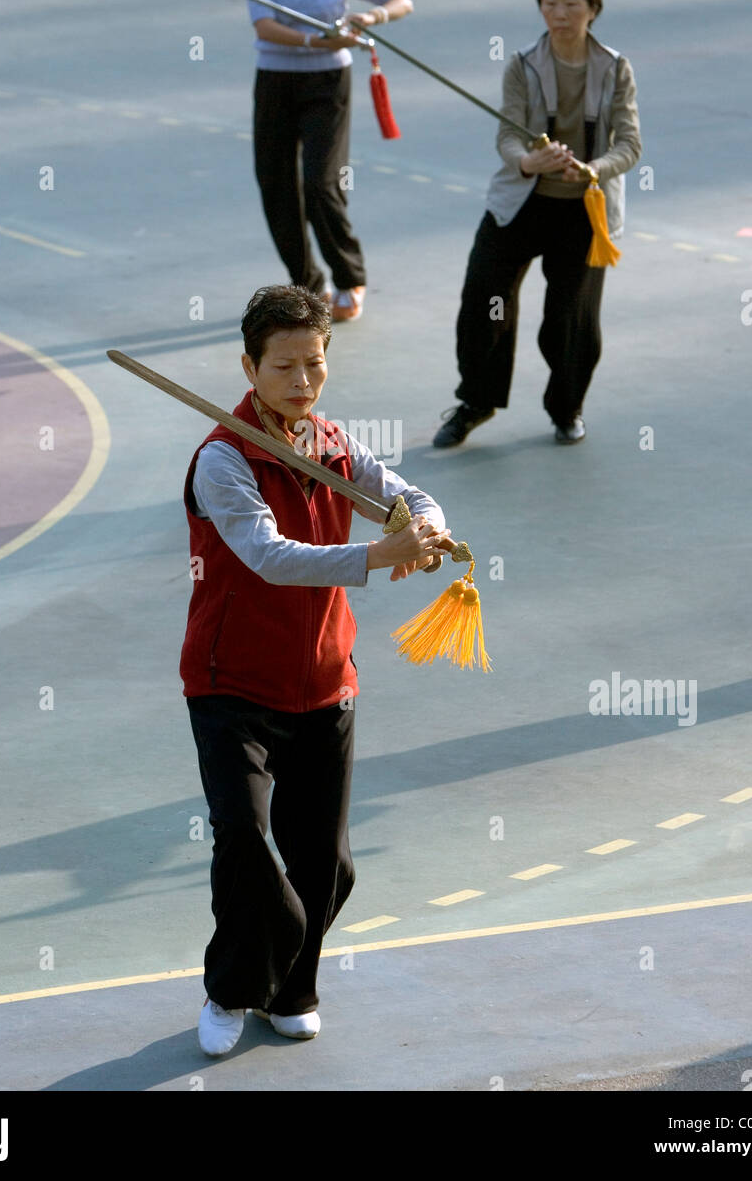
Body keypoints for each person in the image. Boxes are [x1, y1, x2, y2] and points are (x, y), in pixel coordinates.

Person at [181, 285, 450, 1056]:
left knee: (326, 862)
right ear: (249, 366)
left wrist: (426, 529)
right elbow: (266, 557)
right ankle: (231, 991)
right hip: (231, 684)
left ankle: (290, 988)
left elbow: (410, 495)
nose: (303, 382)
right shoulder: (222, 461)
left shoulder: (333, 445)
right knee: (242, 839)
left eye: (316, 364)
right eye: (285, 366)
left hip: (328, 684)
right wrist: (375, 556)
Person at [434, 0, 641, 448]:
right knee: (487, 299)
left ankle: (566, 408)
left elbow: (629, 144)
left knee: (572, 318)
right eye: (550, 2)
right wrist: (529, 162)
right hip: (521, 204)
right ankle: (476, 402)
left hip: (584, 209)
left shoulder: (615, 69)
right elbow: (508, 134)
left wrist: (594, 169)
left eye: (571, 2)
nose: (559, 12)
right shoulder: (523, 65)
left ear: (593, 7)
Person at [247, 0, 413, 322]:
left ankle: (348, 275)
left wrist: (368, 19)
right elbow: (264, 25)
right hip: (276, 80)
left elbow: (400, 1)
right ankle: (306, 285)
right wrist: (312, 40)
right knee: (276, 184)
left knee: (321, 182)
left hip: (328, 83)